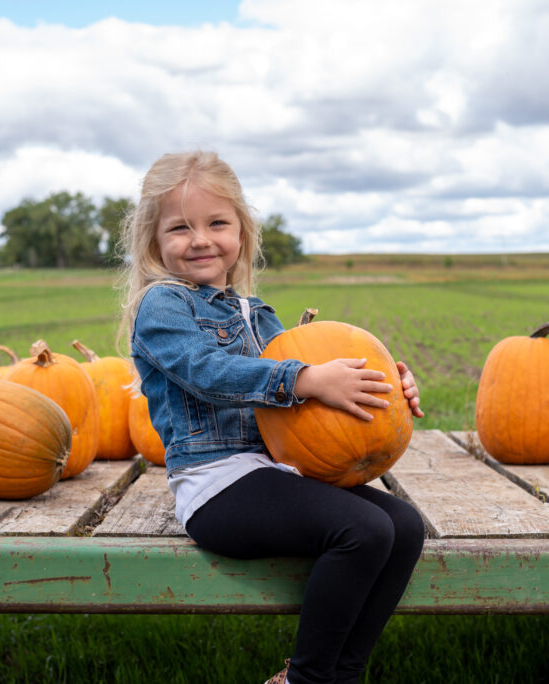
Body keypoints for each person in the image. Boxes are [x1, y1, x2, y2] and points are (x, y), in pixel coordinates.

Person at [118, 150, 426, 684]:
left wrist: (388, 393)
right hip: (216, 486)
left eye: (217, 222)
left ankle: (341, 675)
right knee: (364, 529)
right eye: (180, 227)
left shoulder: (257, 312)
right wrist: (304, 377)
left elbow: (300, 413)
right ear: (153, 240)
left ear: (241, 231)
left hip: (271, 474)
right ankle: (305, 679)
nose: (200, 239)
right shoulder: (162, 306)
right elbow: (207, 371)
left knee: (403, 525)